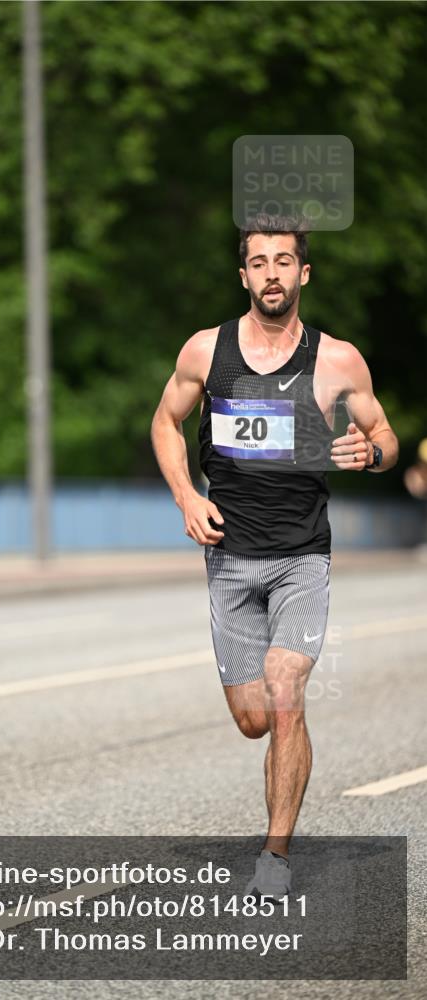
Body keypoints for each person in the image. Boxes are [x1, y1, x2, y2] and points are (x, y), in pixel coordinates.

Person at [150, 214, 398, 900]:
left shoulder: (337, 360)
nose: (271, 274)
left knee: (285, 692)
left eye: (283, 262)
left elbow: (383, 434)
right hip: (229, 556)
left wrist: (373, 453)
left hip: (300, 557)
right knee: (253, 718)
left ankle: (275, 856)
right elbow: (166, 421)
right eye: (258, 263)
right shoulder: (206, 351)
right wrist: (185, 496)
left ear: (303, 273)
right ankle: (281, 745)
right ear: (243, 276)